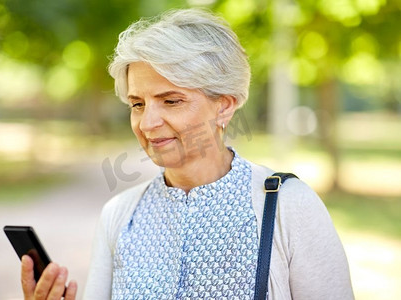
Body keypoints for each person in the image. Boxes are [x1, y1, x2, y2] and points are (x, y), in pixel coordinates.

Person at [21, 8, 354, 300]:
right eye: (138, 104)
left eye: (171, 100)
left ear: (224, 106)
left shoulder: (288, 205)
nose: (148, 123)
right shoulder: (119, 216)